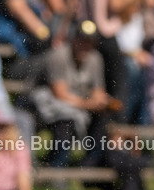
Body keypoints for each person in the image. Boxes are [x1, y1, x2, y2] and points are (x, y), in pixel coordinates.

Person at [29, 21, 111, 167]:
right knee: (66, 121)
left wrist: (98, 103)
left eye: (89, 41)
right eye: (82, 40)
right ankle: (57, 168)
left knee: (103, 118)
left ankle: (89, 166)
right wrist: (89, 103)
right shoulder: (58, 56)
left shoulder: (95, 58)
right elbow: (59, 94)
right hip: (42, 105)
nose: (85, 45)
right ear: (74, 39)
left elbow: (99, 93)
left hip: (75, 104)